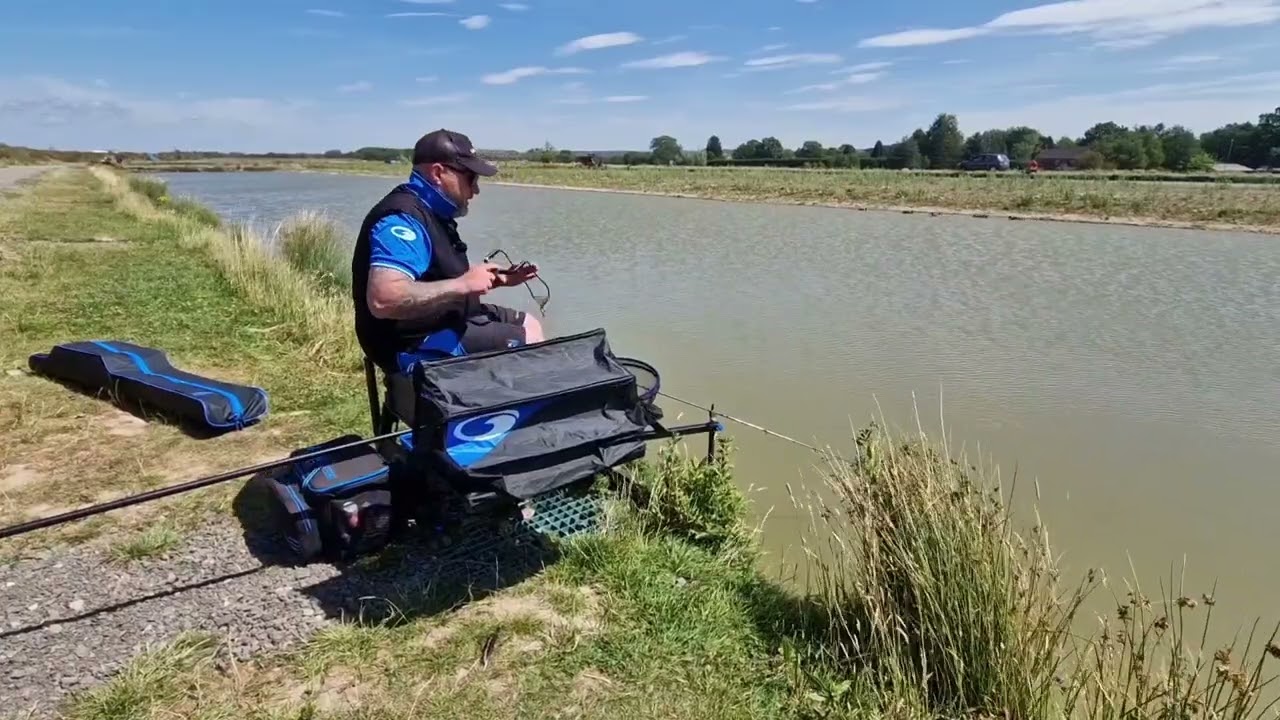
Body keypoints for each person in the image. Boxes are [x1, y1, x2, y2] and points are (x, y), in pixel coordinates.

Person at [351, 128, 545, 375]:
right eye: (470, 178)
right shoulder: (401, 220)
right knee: (524, 339)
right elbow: (384, 299)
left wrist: (496, 280)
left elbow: (435, 277)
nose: (475, 190)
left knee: (530, 323)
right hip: (408, 343)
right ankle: (508, 408)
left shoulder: (433, 210)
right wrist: (463, 284)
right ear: (438, 173)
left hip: (440, 320)